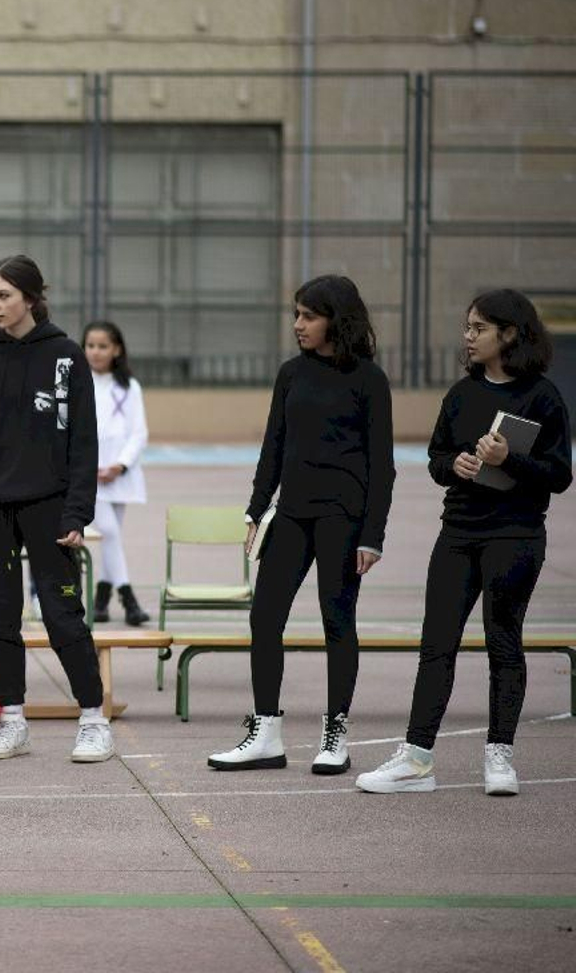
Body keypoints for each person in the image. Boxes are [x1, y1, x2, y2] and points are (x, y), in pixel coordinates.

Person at [358, 289, 571, 797]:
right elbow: (435, 458)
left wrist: (508, 460)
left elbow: (559, 475)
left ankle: (500, 756)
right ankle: (416, 757)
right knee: (437, 645)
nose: (468, 337)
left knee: (503, 641)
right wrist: (455, 464)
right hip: (457, 532)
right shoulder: (461, 394)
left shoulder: (542, 397)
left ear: (511, 334)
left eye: (479, 328)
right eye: (467, 328)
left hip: (515, 536)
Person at [209, 275, 394, 775]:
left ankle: (336, 733)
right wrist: (255, 510)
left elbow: (382, 465)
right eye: (296, 315)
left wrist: (372, 534)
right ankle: (265, 731)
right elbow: (274, 446)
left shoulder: (368, 380)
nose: (298, 325)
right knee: (264, 617)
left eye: (308, 316)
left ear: (337, 319)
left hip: (343, 518)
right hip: (290, 514)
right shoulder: (291, 374)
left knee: (337, 622)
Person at [0, 255, 113, 764]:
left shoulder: (65, 356)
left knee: (64, 616)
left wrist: (76, 514)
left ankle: (93, 719)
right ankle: (12, 719)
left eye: (4, 295)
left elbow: (84, 442)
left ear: (31, 298)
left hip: (48, 507)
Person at [82, 321, 150, 626]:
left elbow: (139, 432)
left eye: (103, 346)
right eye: (90, 345)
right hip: (89, 474)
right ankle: (128, 597)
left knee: (112, 539)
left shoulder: (129, 386)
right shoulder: (78, 383)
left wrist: (120, 465)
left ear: (117, 349)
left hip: (119, 474)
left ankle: (101, 598)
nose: (95, 352)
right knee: (108, 532)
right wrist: (88, 464)